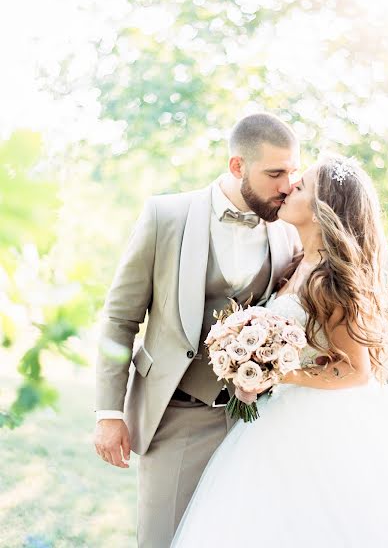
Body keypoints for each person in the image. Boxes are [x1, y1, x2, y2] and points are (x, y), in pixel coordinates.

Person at [171, 154, 388, 548]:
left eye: (300, 187)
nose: (288, 187)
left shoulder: (333, 280)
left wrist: (275, 371)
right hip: (277, 416)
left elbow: (355, 371)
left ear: (320, 211)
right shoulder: (297, 263)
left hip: (326, 425)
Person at [93, 112, 300, 547]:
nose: (286, 185)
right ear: (237, 166)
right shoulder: (164, 216)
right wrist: (109, 413)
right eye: (275, 173)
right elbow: (119, 318)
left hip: (256, 422)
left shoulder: (290, 233)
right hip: (176, 414)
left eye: (292, 172)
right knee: (162, 538)